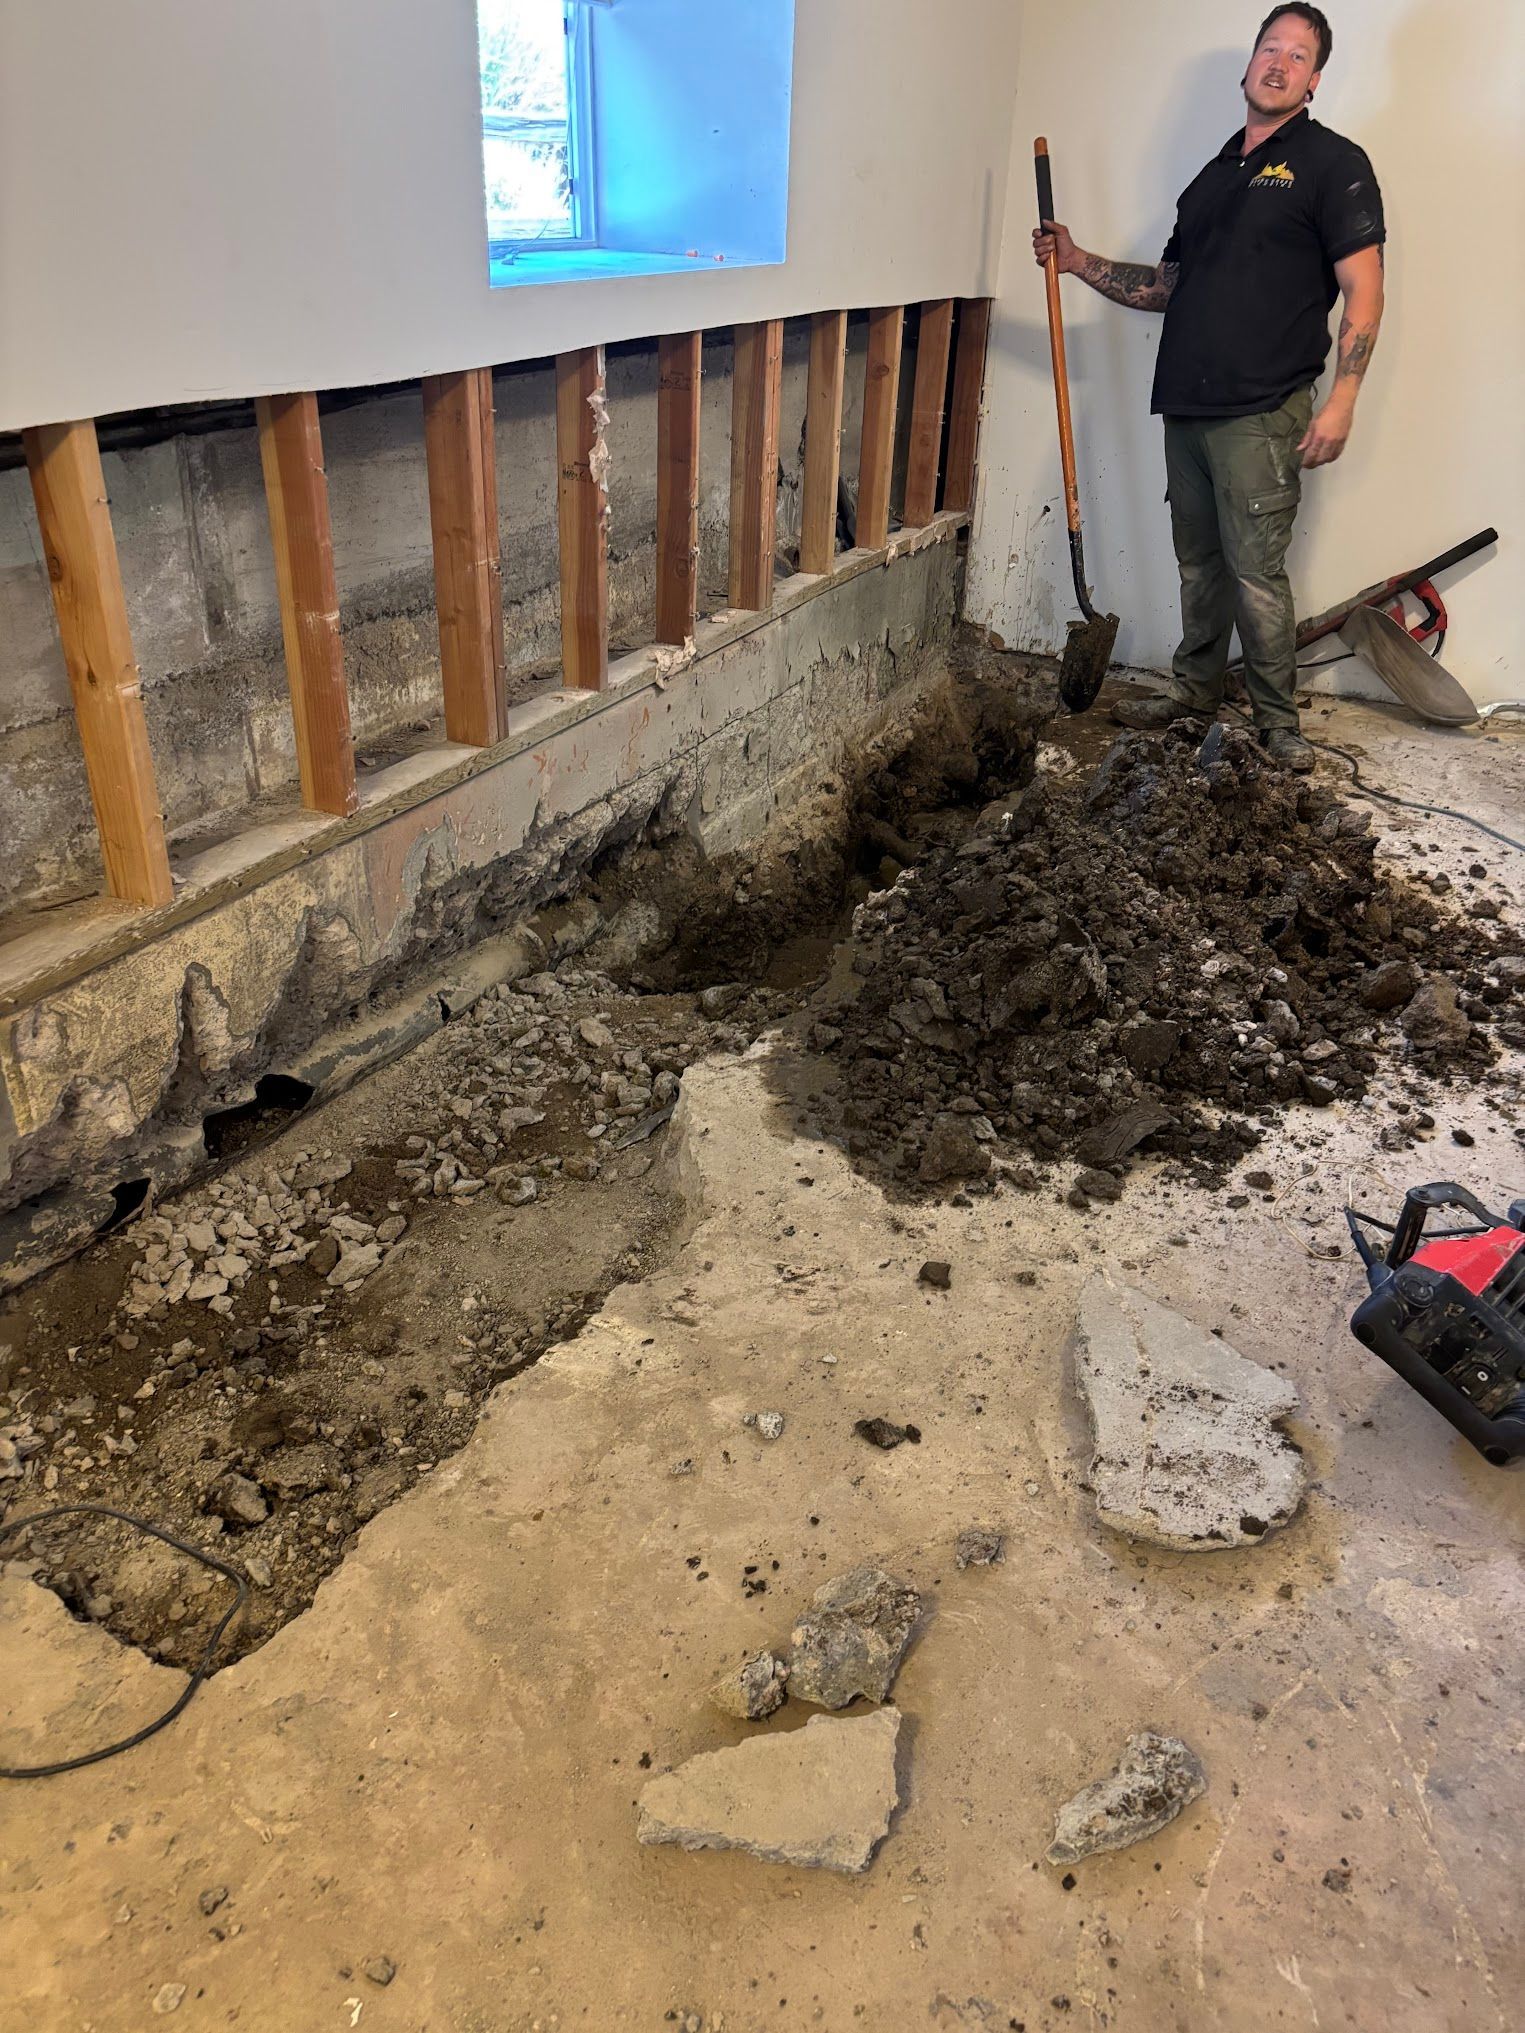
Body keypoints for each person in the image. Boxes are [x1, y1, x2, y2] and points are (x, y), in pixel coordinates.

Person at [1033, 4, 1385, 771]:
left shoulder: (1332, 163)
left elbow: (1363, 289)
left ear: (1313, 81)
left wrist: (1344, 399)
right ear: (1247, 64)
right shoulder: (1213, 175)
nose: (1279, 63)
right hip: (1186, 404)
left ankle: (1277, 724)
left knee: (1255, 571)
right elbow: (1167, 285)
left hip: (1262, 409)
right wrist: (1078, 259)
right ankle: (1194, 691)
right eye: (1269, 48)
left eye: (1297, 55)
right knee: (1199, 563)